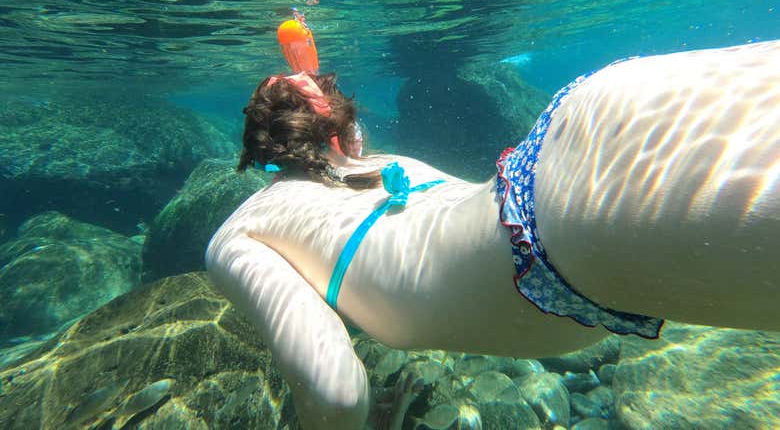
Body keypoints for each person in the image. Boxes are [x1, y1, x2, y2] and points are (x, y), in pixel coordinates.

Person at [206, 41, 780, 430]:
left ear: (259, 151)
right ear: (344, 129)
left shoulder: (242, 231)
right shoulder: (381, 163)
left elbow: (334, 390)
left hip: (578, 222)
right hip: (591, 117)